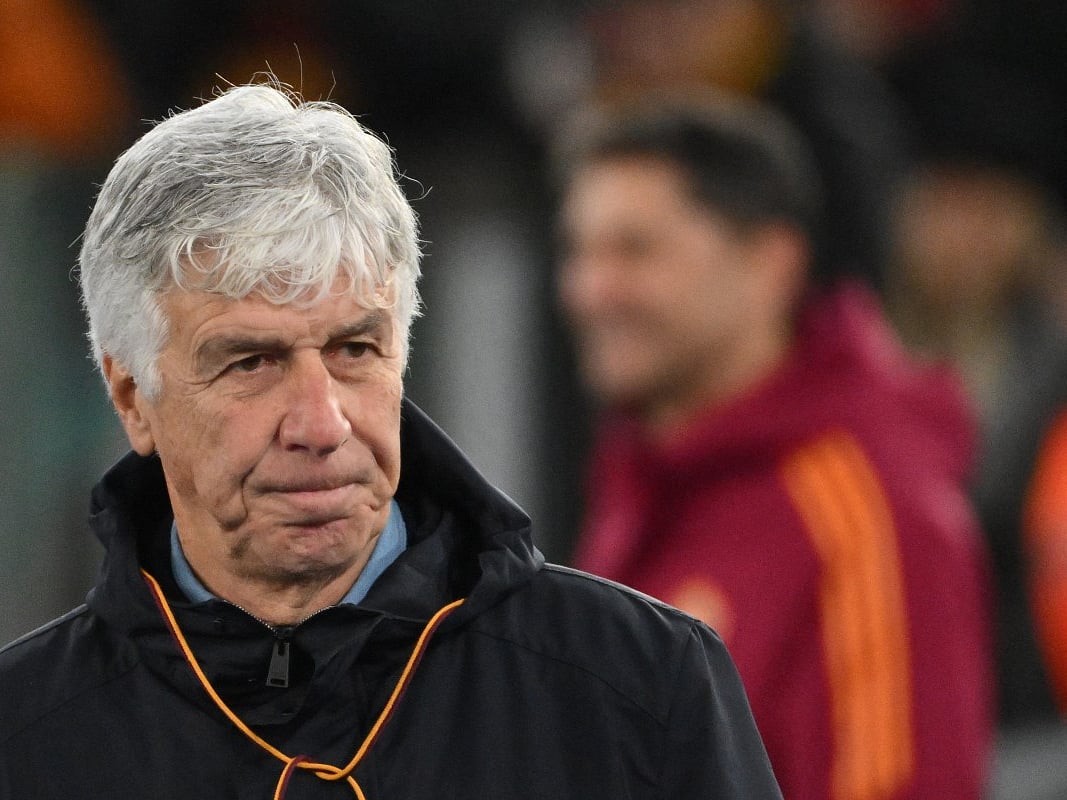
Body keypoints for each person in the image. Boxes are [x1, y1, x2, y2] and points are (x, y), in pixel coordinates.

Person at [0, 83, 781, 799]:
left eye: (354, 350)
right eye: (251, 362)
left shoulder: (643, 685)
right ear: (133, 396)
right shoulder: (24, 737)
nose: (322, 424)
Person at [555, 95, 994, 799]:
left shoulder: (867, 510)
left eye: (634, 250)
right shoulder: (642, 478)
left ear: (769, 265)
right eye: (579, 251)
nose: (588, 289)